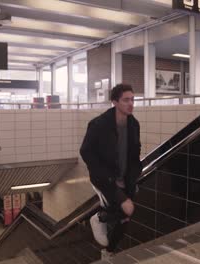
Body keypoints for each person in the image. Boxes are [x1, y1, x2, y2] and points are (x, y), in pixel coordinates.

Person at [80, 83, 142, 259]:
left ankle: (108, 253)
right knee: (126, 207)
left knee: (125, 219)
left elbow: (135, 151)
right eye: (125, 100)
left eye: (132, 100)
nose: (130, 104)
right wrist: (101, 174)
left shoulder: (134, 124)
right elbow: (86, 151)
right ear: (114, 102)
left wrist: (135, 172)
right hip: (104, 178)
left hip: (125, 177)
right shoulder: (99, 124)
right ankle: (99, 217)